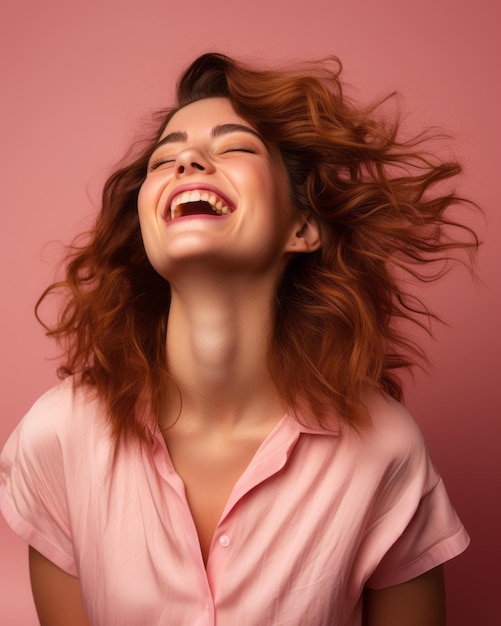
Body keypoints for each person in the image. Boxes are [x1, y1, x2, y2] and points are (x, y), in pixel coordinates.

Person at [0, 52, 478, 625]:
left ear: (302, 227)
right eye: (165, 157)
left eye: (234, 147)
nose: (188, 161)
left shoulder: (385, 451)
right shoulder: (60, 437)